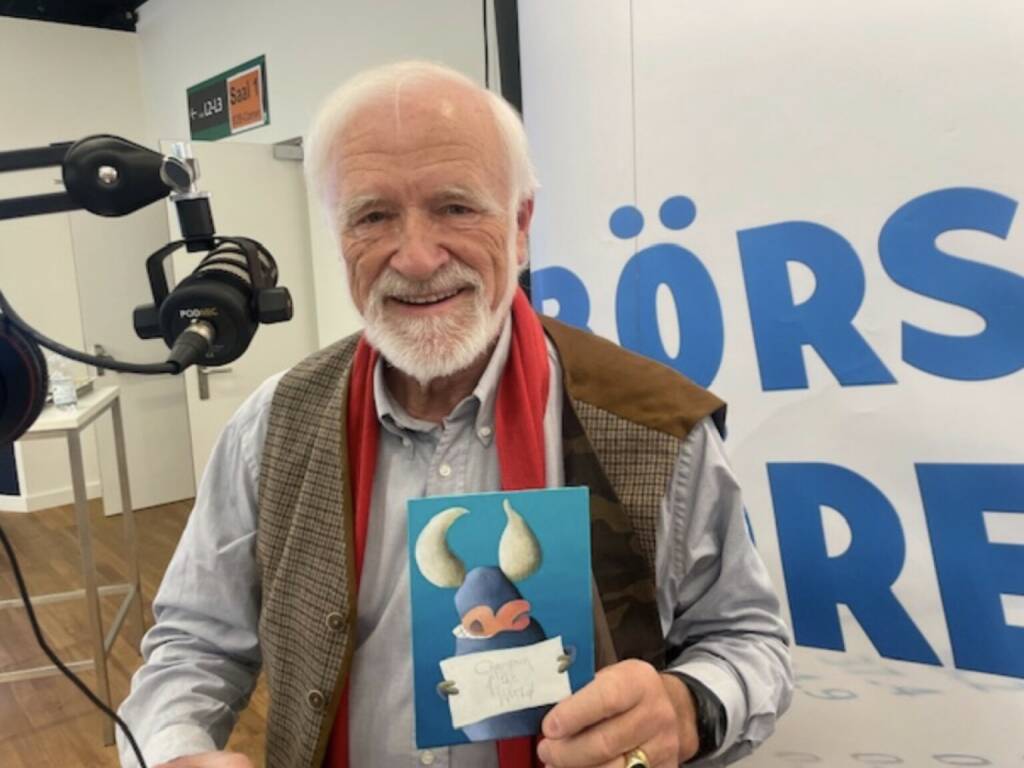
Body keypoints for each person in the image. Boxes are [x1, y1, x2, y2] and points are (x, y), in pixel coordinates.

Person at [118, 61, 792, 768]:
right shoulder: (272, 426)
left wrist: (688, 708)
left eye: (456, 208)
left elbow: (747, 639)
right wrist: (170, 751)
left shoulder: (653, 427)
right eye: (373, 216)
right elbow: (193, 641)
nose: (415, 258)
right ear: (338, 235)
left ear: (521, 224)